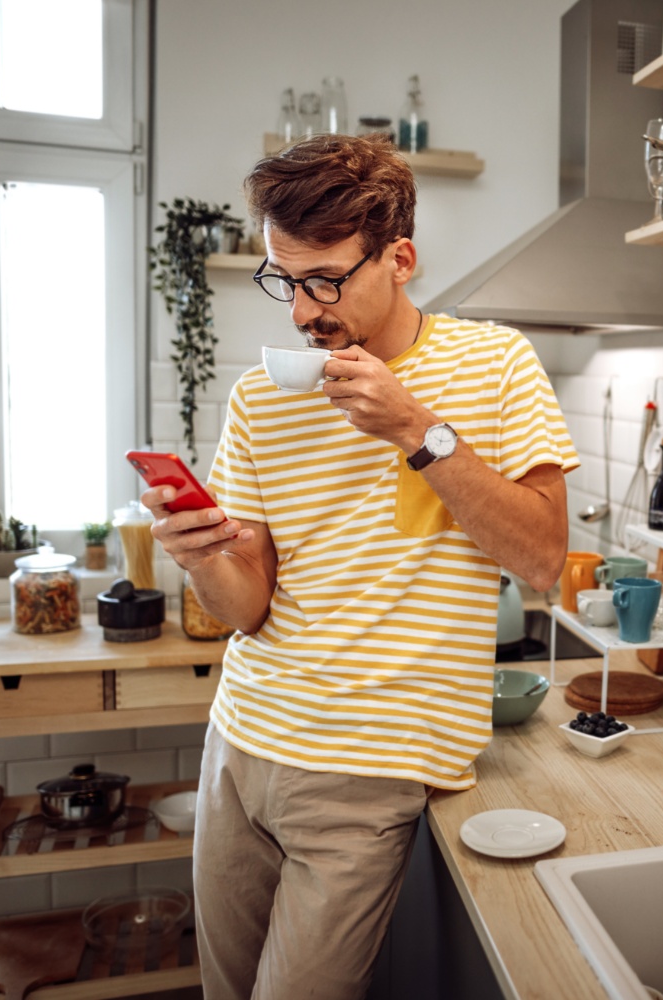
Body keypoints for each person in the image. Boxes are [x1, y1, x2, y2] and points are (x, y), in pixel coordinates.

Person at [143, 133, 578, 1000]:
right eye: (284, 280)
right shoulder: (262, 400)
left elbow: (542, 558)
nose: (302, 311)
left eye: (326, 280)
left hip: (367, 768)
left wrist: (419, 432)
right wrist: (198, 557)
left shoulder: (496, 366)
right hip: (239, 745)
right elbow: (249, 607)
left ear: (400, 258)